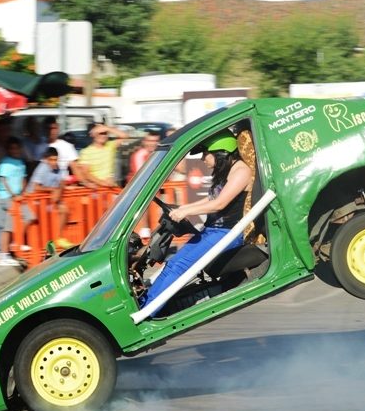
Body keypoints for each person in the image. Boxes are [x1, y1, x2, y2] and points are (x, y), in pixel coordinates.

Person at [140, 130, 251, 310]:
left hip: (227, 234)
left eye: (205, 154)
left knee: (177, 266)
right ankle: (146, 304)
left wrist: (186, 211)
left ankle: (147, 310)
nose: (203, 159)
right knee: (172, 265)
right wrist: (184, 209)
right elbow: (212, 199)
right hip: (213, 231)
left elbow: (219, 204)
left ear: (221, 152)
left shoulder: (240, 171)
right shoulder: (228, 171)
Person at [0, 137, 27, 266]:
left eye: (17, 148)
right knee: (10, 225)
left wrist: (22, 193)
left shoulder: (21, 163)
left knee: (21, 220)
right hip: (6, 196)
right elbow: (3, 181)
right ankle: (6, 251)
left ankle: (12, 246)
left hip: (17, 197)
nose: (15, 150)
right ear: (8, 150)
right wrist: (13, 195)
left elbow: (23, 179)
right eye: (12, 148)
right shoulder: (5, 163)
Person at [77, 123, 127, 188]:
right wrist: (102, 183)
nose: (103, 136)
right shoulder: (86, 152)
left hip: (110, 186)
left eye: (105, 133)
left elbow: (124, 136)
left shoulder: (110, 145)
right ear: (93, 135)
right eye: (100, 133)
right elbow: (86, 173)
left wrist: (107, 128)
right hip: (96, 187)